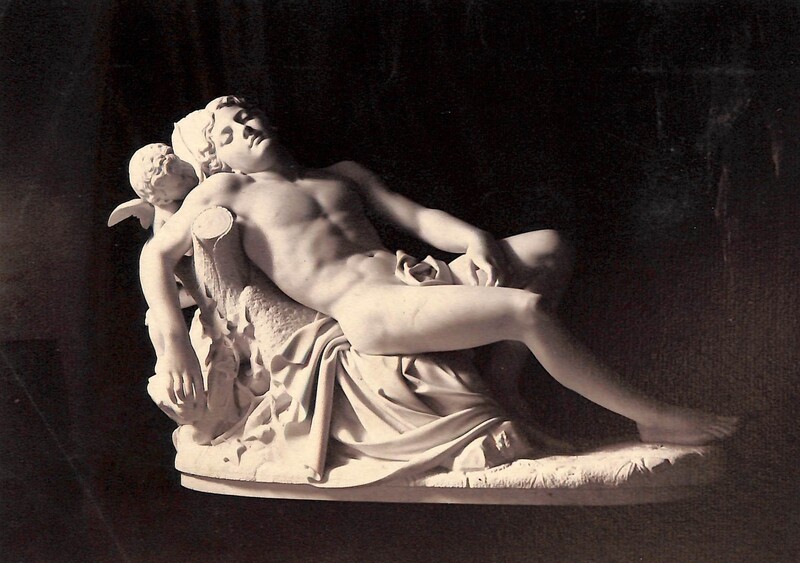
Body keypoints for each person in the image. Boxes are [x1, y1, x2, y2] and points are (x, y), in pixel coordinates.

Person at [140, 95, 737, 448]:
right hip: (368, 310)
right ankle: (651, 418)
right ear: (217, 158)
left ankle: (503, 383)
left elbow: (419, 218)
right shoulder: (226, 191)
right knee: (524, 310)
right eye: (227, 132)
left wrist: (474, 239)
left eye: (246, 116)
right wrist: (173, 344)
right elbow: (155, 256)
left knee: (550, 247)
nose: (245, 128)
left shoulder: (340, 174)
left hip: (416, 279)